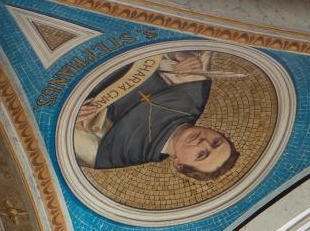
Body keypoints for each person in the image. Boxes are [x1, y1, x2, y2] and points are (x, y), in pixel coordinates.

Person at [71, 51, 238, 181]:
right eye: (216, 142)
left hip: (73, 75)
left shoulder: (120, 154)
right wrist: (180, 55)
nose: (204, 143)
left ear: (179, 164)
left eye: (201, 154)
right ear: (215, 131)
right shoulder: (195, 92)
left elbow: (62, 137)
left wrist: (70, 118)